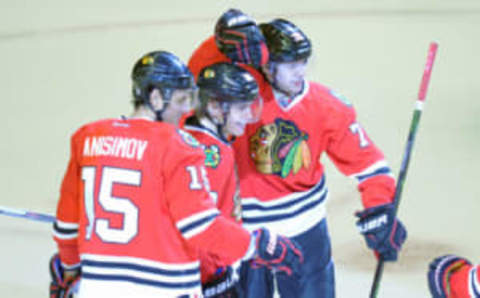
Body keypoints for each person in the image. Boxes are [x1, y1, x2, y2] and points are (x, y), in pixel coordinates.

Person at [50, 50, 303, 298]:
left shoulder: (89, 137)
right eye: (181, 101)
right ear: (156, 98)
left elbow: (67, 226)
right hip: (165, 288)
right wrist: (258, 243)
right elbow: (200, 227)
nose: (186, 111)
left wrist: (71, 270)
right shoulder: (177, 145)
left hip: (97, 288)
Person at [229, 19, 408, 297]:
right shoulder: (238, 103)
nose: (300, 71)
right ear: (266, 64)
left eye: (303, 62)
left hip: (306, 232)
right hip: (247, 236)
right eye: (290, 64)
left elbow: (370, 165)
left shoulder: (327, 106)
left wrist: (380, 208)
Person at [179, 62, 263, 297]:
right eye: (242, 108)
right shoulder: (211, 154)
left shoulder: (190, 137)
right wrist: (214, 275)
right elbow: (201, 224)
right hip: (207, 277)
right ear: (215, 107)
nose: (248, 116)